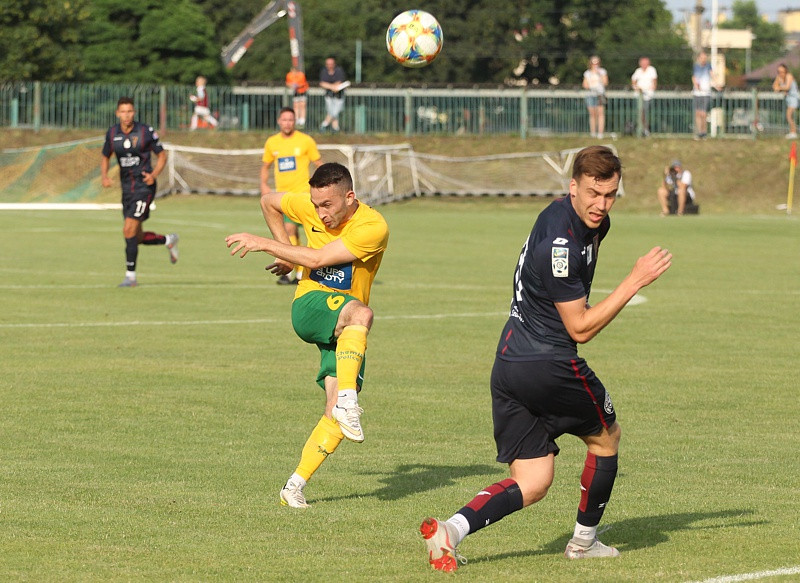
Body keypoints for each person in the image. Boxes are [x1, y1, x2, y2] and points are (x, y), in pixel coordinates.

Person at [419, 146, 672, 572]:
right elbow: (580, 329)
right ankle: (584, 542)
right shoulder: (562, 246)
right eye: (593, 193)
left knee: (532, 482)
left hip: (510, 361)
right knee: (606, 438)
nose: (601, 204)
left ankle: (451, 530)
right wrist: (635, 280)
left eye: (610, 195)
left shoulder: (583, 221)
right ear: (572, 186)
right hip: (548, 362)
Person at [226, 162, 389, 509]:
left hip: (343, 328)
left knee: (333, 414)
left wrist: (267, 245)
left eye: (327, 205)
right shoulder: (311, 205)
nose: (320, 213)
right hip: (311, 305)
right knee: (362, 313)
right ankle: (349, 399)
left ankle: (294, 486)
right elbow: (269, 201)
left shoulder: (373, 227)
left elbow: (317, 256)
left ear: (350, 197)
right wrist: (282, 248)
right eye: (315, 205)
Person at [101, 96, 177, 288]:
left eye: (130, 111)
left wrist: (154, 174)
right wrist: (104, 176)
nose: (127, 115)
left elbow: (162, 155)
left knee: (128, 229)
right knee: (136, 236)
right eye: (123, 111)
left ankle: (130, 277)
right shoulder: (112, 133)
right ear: (117, 113)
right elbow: (105, 155)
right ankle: (169, 240)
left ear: (134, 112)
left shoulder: (145, 131)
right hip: (127, 189)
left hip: (144, 188)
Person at [260, 106, 323, 284]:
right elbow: (265, 166)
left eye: (290, 120)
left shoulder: (305, 141)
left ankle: (303, 271)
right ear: (279, 121)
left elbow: (319, 163)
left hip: (304, 195)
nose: (287, 122)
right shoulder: (272, 142)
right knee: (289, 230)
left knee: (313, 231)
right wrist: (264, 185)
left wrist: (322, 184)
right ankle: (293, 272)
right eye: (284, 119)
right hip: (284, 197)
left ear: (295, 122)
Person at [319, 57, 348, 133]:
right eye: (328, 64)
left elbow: (339, 82)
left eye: (331, 64)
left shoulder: (339, 71)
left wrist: (330, 86)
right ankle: (335, 128)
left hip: (339, 96)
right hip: (329, 96)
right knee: (331, 111)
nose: (330, 66)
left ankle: (324, 124)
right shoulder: (324, 71)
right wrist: (333, 87)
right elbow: (322, 83)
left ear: (334, 64)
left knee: (335, 112)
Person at [582, 56, 609, 139]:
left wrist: (599, 74)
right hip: (591, 94)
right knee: (592, 114)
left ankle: (600, 133)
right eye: (593, 63)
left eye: (597, 63)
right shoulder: (587, 73)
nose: (595, 65)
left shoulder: (603, 71)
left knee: (600, 113)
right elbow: (585, 85)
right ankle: (593, 133)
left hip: (600, 94)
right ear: (590, 64)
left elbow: (605, 82)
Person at [631, 57, 658, 136]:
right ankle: (642, 129)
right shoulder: (638, 71)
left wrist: (651, 88)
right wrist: (636, 87)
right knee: (641, 112)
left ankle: (645, 129)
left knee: (644, 112)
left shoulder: (652, 70)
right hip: (639, 95)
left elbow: (654, 82)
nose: (644, 65)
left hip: (648, 95)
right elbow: (633, 81)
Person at [772, 64, 798, 139]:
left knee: (789, 115)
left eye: (782, 71)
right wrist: (777, 86)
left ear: (785, 71)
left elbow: (787, 87)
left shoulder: (789, 76)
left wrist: (779, 88)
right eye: (779, 71)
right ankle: (792, 132)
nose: (780, 73)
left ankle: (793, 132)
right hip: (788, 99)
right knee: (789, 116)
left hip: (794, 98)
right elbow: (774, 86)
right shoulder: (779, 77)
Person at [692, 52, 714, 140]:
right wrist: (696, 85)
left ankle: (704, 132)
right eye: (702, 58)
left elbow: (712, 76)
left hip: (705, 93)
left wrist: (716, 84)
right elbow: (693, 77)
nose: (703, 59)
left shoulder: (708, 66)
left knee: (703, 113)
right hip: (697, 93)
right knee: (698, 113)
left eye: (705, 58)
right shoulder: (696, 67)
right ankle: (699, 132)